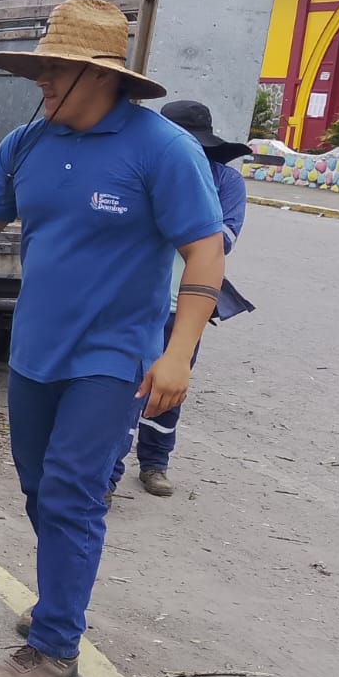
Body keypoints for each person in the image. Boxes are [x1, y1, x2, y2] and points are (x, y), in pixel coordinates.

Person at [0, 0, 225, 677]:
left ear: (100, 75)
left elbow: (204, 250)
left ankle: (54, 649)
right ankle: (59, 598)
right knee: (39, 489)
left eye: (54, 69)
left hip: (113, 355)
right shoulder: (26, 145)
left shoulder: (163, 150)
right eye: (39, 68)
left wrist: (178, 354)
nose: (39, 80)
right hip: (34, 349)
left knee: (73, 493)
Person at [108, 99, 252, 500]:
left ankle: (155, 463)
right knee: (122, 389)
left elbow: (222, 240)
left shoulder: (226, 182)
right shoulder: (142, 170)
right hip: (134, 301)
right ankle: (107, 474)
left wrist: (182, 219)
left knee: (169, 389)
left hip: (185, 304)